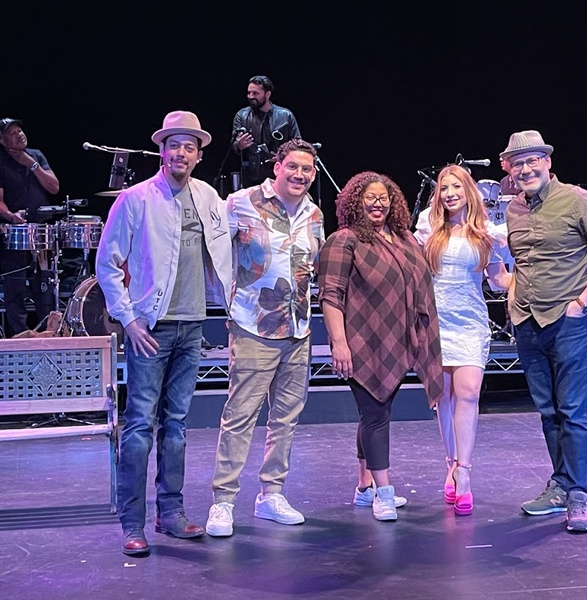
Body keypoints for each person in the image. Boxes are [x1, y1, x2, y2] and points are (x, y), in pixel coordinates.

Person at [95, 111, 233, 556]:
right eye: (174, 144)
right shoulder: (135, 200)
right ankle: (131, 522)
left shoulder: (209, 197)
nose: (181, 153)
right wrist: (129, 320)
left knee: (175, 426)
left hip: (192, 327)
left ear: (198, 154)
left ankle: (170, 513)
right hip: (151, 330)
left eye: (189, 146)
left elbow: (224, 249)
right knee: (138, 426)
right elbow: (107, 264)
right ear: (161, 149)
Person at [502, 130, 587, 533]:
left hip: (568, 321)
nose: (525, 169)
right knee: (548, 411)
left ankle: (578, 496)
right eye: (517, 163)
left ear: (547, 161)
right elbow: (519, 268)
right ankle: (559, 485)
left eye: (531, 160)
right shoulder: (513, 211)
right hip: (527, 322)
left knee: (574, 412)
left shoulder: (577, 200)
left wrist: (582, 303)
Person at [205, 138, 324, 537]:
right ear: (277, 166)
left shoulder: (314, 214)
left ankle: (271, 494)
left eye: (307, 169)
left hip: (298, 328)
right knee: (239, 417)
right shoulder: (241, 202)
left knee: (285, 419)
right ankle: (223, 501)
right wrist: (224, 297)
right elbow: (214, 250)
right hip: (253, 325)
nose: (300, 175)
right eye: (293, 166)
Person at [317, 171, 444, 522]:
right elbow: (330, 295)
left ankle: (363, 488)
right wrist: (339, 344)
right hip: (362, 341)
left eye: (384, 197)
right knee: (375, 415)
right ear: (355, 201)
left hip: (396, 340)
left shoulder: (403, 238)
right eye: (370, 197)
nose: (377, 203)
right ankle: (383, 492)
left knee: (375, 412)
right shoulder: (344, 241)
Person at [414, 164, 512, 516]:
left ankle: (465, 472)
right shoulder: (428, 225)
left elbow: (499, 280)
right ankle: (451, 464)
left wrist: (527, 282)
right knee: (445, 399)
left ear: (468, 190)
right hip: (436, 322)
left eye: (456, 186)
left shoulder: (487, 231)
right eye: (444, 187)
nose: (450, 192)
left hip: (470, 321)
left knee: (468, 392)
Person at [0, 118, 60, 337]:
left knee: (44, 283)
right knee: (14, 285)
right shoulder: (1, 161)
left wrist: (31, 164)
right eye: (13, 132)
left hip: (41, 231)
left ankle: (47, 332)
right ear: (2, 140)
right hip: (14, 232)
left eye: (20, 130)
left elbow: (54, 187)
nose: (20, 134)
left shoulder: (36, 155)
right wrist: (10, 216)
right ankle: (20, 335)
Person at [232, 75, 302, 188]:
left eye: (255, 93)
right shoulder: (242, 115)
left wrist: (282, 156)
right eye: (249, 93)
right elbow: (232, 148)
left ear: (267, 94)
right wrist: (239, 145)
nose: (250, 96)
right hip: (251, 177)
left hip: (279, 176)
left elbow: (298, 145)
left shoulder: (285, 116)